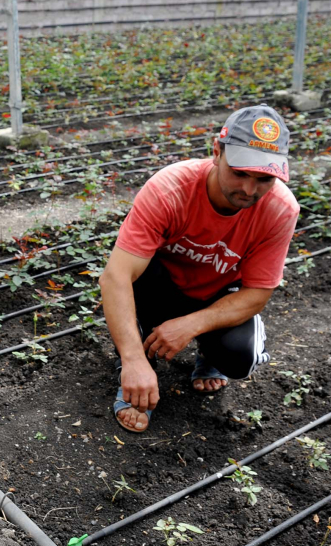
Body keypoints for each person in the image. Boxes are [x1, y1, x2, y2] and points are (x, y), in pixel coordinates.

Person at [99, 105, 299, 433]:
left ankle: (209, 350)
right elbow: (116, 276)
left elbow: (257, 293)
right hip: (163, 288)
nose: (249, 190)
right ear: (216, 152)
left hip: (217, 294)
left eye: (264, 179)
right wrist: (133, 359)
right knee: (135, 279)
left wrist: (193, 325)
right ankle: (138, 363)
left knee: (239, 357)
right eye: (239, 173)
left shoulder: (279, 209)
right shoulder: (170, 190)